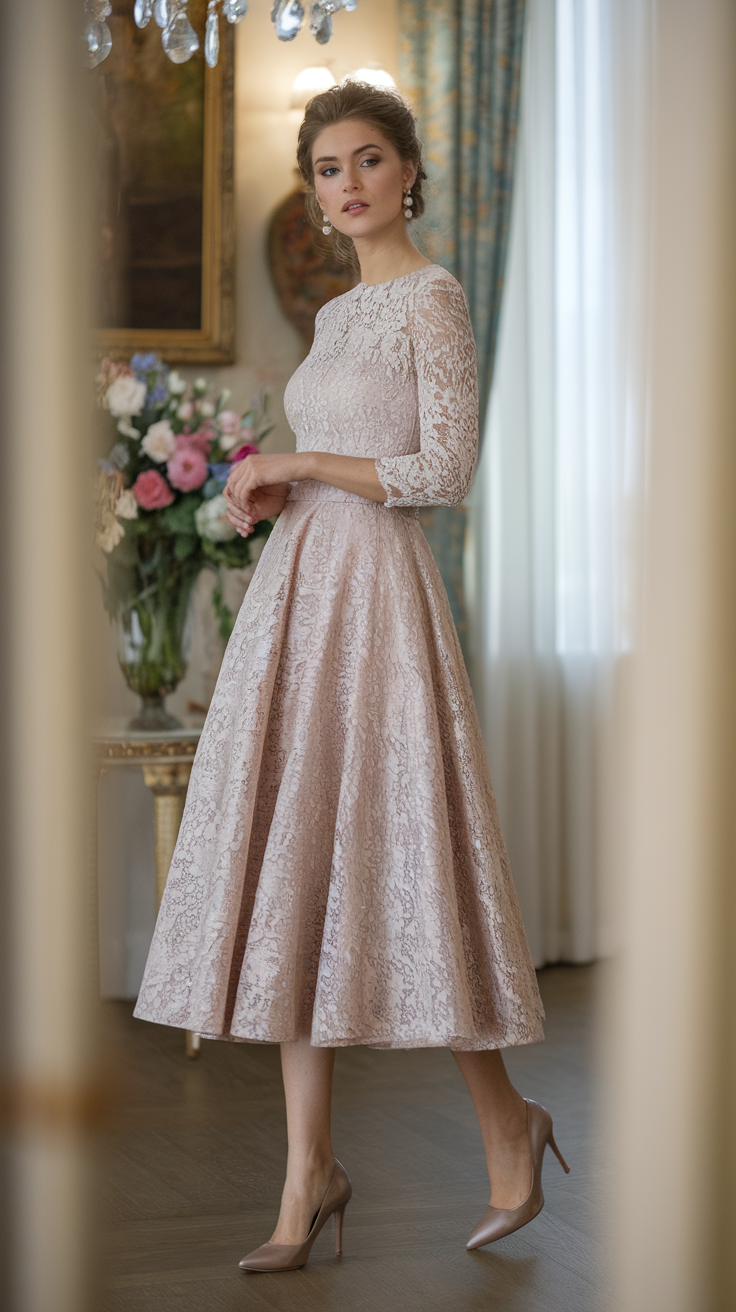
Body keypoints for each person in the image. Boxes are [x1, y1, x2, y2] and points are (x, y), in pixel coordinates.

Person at [133, 80, 569, 1273]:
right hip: (301, 594)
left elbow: (442, 468)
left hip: (379, 602)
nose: (349, 183)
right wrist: (270, 486)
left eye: (367, 159)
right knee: (297, 870)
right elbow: (336, 467)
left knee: (409, 865)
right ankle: (305, 1176)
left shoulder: (433, 297)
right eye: (327, 168)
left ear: (408, 171)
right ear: (317, 193)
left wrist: (304, 456)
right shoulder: (333, 321)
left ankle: (506, 1125)